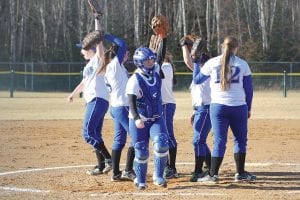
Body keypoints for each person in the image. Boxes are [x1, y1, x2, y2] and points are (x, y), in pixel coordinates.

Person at [194, 36, 256, 183]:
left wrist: (196, 62)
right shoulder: (242, 64)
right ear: (236, 48)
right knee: (240, 141)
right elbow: (249, 89)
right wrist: (249, 108)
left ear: (222, 47)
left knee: (219, 141)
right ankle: (240, 173)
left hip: (218, 107)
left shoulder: (212, 62)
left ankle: (213, 175)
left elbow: (197, 80)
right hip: (239, 106)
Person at [67, 18, 112, 176]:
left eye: (83, 49)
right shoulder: (89, 65)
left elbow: (99, 41)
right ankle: (101, 166)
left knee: (87, 133)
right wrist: (73, 94)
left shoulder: (98, 60)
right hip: (93, 101)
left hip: (98, 99)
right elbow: (84, 82)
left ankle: (109, 159)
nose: (81, 51)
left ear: (92, 49)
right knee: (95, 133)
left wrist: (96, 20)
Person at [126, 47, 169, 190]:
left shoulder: (156, 71)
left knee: (162, 144)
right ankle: (140, 179)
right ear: (139, 63)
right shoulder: (135, 79)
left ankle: (158, 176)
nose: (151, 62)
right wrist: (137, 118)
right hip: (139, 120)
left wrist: (163, 38)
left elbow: (161, 57)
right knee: (141, 151)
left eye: (152, 59)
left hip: (156, 118)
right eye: (148, 61)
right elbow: (131, 101)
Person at [99, 34, 135, 182]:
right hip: (122, 108)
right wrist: (106, 35)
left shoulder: (114, 68)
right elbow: (123, 43)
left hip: (116, 108)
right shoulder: (115, 65)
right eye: (124, 53)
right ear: (117, 55)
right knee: (137, 138)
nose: (126, 54)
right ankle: (128, 170)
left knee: (119, 140)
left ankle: (115, 173)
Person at [179, 36, 212, 182]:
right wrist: (185, 46)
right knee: (201, 140)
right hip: (200, 109)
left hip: (206, 109)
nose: (195, 62)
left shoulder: (207, 73)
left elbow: (189, 62)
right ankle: (211, 166)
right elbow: (189, 62)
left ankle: (199, 171)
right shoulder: (199, 72)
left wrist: (187, 47)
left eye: (199, 60)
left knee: (198, 141)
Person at [160, 52, 178, 179]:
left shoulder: (166, 66)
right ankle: (166, 165)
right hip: (159, 105)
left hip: (166, 104)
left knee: (168, 135)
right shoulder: (160, 66)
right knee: (161, 135)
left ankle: (171, 167)